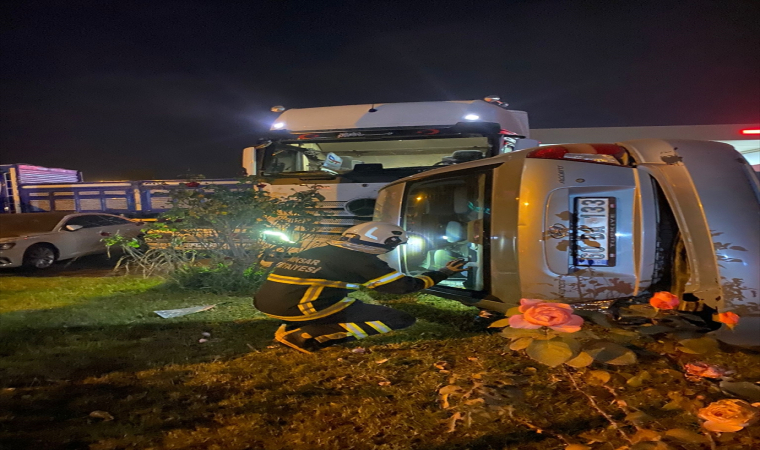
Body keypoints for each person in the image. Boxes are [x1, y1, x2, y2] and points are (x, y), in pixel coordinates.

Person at [253, 222, 468, 353]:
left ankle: (291, 327)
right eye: (393, 245)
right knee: (399, 319)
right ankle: (307, 336)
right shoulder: (364, 261)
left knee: (346, 303)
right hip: (300, 307)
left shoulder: (319, 251)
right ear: (388, 243)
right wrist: (444, 272)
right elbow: (403, 287)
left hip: (267, 303)